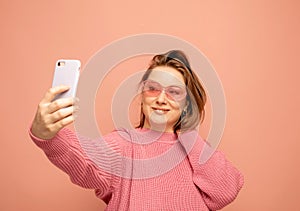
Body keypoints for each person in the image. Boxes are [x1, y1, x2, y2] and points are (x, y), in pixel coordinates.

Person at [29, 50, 244, 210]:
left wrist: (187, 133)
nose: (161, 99)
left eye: (174, 92)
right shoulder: (125, 143)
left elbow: (226, 190)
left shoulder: (195, 148)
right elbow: (86, 160)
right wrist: (48, 135)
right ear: (142, 96)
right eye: (153, 89)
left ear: (187, 103)